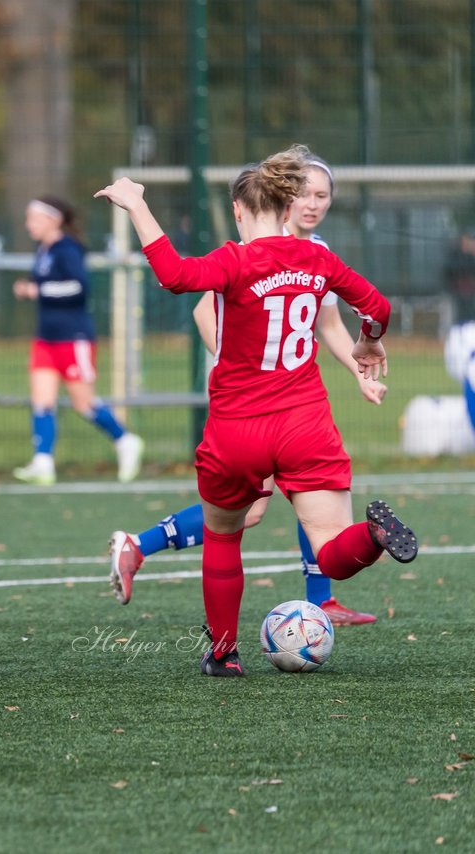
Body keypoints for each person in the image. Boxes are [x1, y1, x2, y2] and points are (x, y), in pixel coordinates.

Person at [95, 143, 418, 677]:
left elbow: (174, 276)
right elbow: (377, 307)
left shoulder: (235, 258)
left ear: (241, 211)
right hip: (304, 422)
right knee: (333, 545)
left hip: (236, 427)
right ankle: (374, 536)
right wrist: (370, 340)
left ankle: (223, 655)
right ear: (289, 208)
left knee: (225, 536)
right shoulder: (317, 257)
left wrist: (136, 205)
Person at [11, 195, 143, 485]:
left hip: (74, 337)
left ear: (53, 220)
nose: (28, 224)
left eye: (34, 218)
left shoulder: (67, 248)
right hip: (46, 337)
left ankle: (126, 441)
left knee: (83, 403)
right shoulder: (43, 249)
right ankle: (43, 461)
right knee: (42, 400)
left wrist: (38, 291)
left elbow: (77, 287)